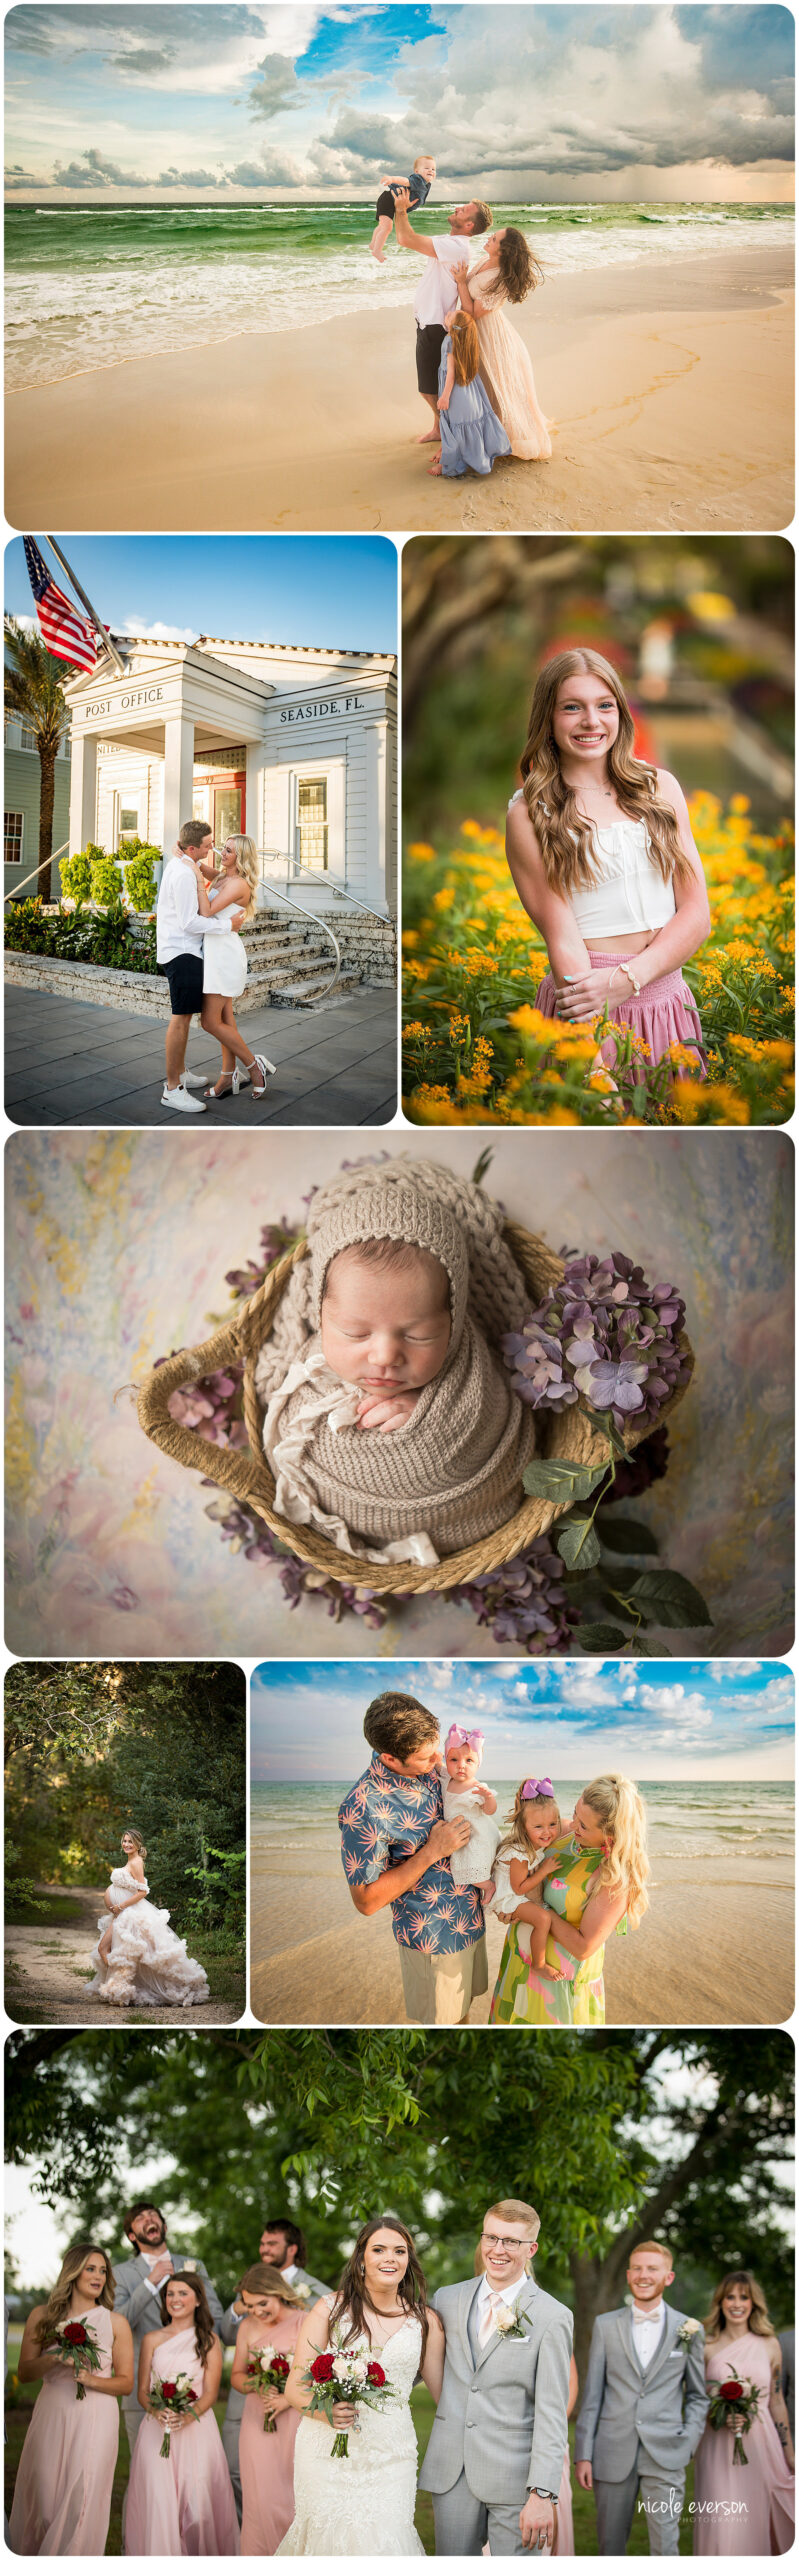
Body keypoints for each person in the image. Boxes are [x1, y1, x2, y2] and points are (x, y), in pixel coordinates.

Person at [255, 1155, 538, 1570]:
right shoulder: (308, 1364)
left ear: (455, 1322)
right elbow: (284, 1419)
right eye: (355, 1333)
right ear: (319, 1315)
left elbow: (491, 1407)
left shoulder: (470, 1365)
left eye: (417, 1334)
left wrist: (428, 1412)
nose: (385, 1356)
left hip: (473, 1511)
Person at [506, 649, 711, 1082]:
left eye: (604, 705)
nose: (591, 722)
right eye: (572, 707)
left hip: (667, 1003)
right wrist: (593, 1062)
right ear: (548, 717)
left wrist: (627, 980)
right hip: (585, 1005)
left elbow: (696, 915)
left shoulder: (660, 788)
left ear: (620, 711)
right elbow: (562, 939)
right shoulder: (530, 812)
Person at [277, 2213, 442, 2555]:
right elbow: (294, 2387)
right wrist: (326, 2413)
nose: (389, 2258)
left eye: (399, 2251)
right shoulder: (329, 2309)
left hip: (391, 2454)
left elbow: (446, 2399)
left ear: (408, 2261)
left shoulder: (426, 2321)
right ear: (362, 2259)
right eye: (379, 2249)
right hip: (327, 2451)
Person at [421, 2195, 572, 2556]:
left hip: (516, 2481)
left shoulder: (553, 2316)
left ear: (531, 2248)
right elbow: (418, 2363)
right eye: (491, 2237)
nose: (498, 2249)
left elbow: (552, 2412)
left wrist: (542, 2493)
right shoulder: (446, 2299)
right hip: (451, 2472)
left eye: (511, 2241)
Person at [338, 1690, 485, 2026]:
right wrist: (432, 1852)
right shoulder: (363, 1806)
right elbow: (366, 1901)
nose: (437, 1761)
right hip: (433, 1938)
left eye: (437, 1749)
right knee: (444, 2023)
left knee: (464, 2014)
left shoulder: (433, 1766)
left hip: (471, 1921)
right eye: (425, 1758)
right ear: (390, 1758)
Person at [574, 2236, 708, 2555]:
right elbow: (593, 2394)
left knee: (666, 2542)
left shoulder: (689, 2329)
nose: (643, 2275)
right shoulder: (605, 2325)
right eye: (636, 2268)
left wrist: (688, 2440)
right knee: (610, 2543)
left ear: (668, 2277)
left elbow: (698, 2396)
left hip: (666, 2451)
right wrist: (584, 2453)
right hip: (611, 2449)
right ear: (628, 2274)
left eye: (652, 2268)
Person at [490, 1774, 649, 2029]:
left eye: (584, 1826)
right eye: (575, 1813)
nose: (573, 1824)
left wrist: (536, 1910)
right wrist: (509, 1903)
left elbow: (584, 1947)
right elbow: (521, 1842)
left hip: (555, 1986)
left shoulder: (614, 1878)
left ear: (610, 1835)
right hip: (519, 1965)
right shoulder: (563, 1832)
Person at [10, 2242, 133, 2556]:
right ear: (73, 2272)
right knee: (44, 2494)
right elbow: (24, 2373)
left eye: (103, 2270)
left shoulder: (115, 2323)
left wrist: (91, 2379)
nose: (98, 2276)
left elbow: (126, 2383)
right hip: (52, 2411)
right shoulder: (42, 2317)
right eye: (91, 2268)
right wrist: (56, 2358)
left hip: (97, 2415)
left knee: (83, 2496)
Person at [126, 2269, 239, 2555]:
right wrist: (156, 2410)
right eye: (170, 2294)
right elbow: (142, 2391)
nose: (175, 2299)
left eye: (182, 2293)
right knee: (158, 2498)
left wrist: (185, 2416)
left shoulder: (210, 2341)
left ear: (198, 2300)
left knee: (197, 2506)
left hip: (197, 2429)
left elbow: (211, 2393)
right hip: (156, 2428)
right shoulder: (152, 2339)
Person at [694, 2267, 794, 2554]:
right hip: (717, 2443)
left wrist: (789, 2453)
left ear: (753, 2304)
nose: (736, 2304)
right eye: (730, 2297)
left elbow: (775, 2400)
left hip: (762, 2444)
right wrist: (718, 2413)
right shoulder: (707, 2346)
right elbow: (697, 2398)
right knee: (722, 2521)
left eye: (744, 2297)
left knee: (757, 2516)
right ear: (720, 2302)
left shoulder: (770, 2344)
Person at [112, 2201, 223, 2456]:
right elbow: (118, 2325)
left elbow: (213, 2315)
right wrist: (150, 2284)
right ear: (132, 2235)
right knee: (146, 2468)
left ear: (164, 2225)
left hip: (195, 2391)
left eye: (154, 2215)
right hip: (145, 2392)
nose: (149, 2218)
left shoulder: (194, 2264)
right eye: (140, 2218)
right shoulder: (121, 2273)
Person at [390, 187, 493, 445]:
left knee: (428, 390)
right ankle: (441, 429)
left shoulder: (456, 247)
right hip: (429, 320)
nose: (458, 207)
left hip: (435, 324)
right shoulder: (451, 244)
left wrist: (401, 209)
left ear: (469, 224)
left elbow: (405, 239)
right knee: (431, 387)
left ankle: (445, 430)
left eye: (465, 209)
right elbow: (409, 237)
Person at [155, 820, 244, 1116]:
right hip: (181, 953)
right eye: (208, 845)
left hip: (188, 951)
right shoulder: (183, 874)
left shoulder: (184, 864)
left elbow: (214, 874)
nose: (213, 849)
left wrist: (181, 854)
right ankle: (172, 1088)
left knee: (186, 1017)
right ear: (192, 848)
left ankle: (180, 1073)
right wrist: (226, 925)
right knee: (180, 1020)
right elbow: (189, 922)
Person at [452, 228, 551, 461]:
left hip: (489, 335)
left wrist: (460, 283)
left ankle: (497, 440)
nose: (489, 238)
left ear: (503, 250)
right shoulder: (483, 261)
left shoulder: (501, 278)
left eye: (494, 239)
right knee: (480, 387)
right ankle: (480, 438)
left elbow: (472, 312)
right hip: (474, 334)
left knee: (493, 387)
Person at [89, 1825, 211, 2010]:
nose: (126, 1844)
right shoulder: (131, 1860)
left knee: (108, 1950)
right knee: (111, 1951)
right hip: (123, 1915)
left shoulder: (136, 1862)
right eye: (125, 1840)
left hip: (128, 1914)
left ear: (138, 1844)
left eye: (130, 1841)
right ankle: (118, 1986)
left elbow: (142, 1891)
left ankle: (119, 1987)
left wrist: (121, 1906)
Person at [192, 832, 275, 1101]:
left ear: (241, 857)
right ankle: (228, 1076)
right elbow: (201, 866)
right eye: (222, 848)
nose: (222, 853)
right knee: (226, 1019)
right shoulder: (222, 876)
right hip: (213, 951)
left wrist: (195, 881)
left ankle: (253, 1066)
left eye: (228, 851)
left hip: (224, 954)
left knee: (210, 1021)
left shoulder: (238, 884)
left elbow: (207, 911)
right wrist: (187, 856)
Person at [229, 2267, 304, 2555]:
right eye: (250, 2305)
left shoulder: (304, 2322)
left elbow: (318, 2375)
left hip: (296, 2419)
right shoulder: (247, 2327)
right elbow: (236, 2375)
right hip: (257, 2421)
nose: (257, 2311)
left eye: (263, 2303)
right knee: (260, 2499)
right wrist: (257, 2385)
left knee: (291, 2497)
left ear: (278, 2293)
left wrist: (288, 2398)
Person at [430, 304, 511, 479]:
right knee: (463, 425)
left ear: (453, 326)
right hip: (469, 392)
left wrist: (444, 396)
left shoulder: (449, 340)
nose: (448, 313)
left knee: (455, 427)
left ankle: (448, 465)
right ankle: (468, 456)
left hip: (454, 393)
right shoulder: (465, 341)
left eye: (451, 315)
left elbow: (450, 374)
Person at [489, 1777, 563, 1962]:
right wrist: (544, 1871)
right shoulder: (519, 1853)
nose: (547, 1832)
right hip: (509, 1898)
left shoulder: (533, 1844)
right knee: (543, 1920)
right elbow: (519, 1888)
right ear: (523, 1827)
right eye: (538, 1827)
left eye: (553, 1824)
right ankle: (539, 1963)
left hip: (517, 1895)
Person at [441, 1722, 499, 1907]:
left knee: (470, 1870)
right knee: (465, 1867)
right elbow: (435, 1763)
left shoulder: (477, 1787)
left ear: (478, 1764)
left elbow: (490, 1810)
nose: (461, 1766)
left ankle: (488, 1886)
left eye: (469, 1761)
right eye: (453, 1760)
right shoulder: (446, 1778)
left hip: (477, 1836)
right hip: (461, 1833)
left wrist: (488, 1797)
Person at [370, 155, 435, 263]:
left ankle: (373, 243)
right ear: (417, 171)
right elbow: (405, 181)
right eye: (427, 168)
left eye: (433, 169)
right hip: (389, 200)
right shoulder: (418, 179)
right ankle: (377, 251)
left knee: (382, 225)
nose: (431, 171)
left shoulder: (426, 184)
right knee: (387, 227)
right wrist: (392, 179)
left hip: (390, 201)